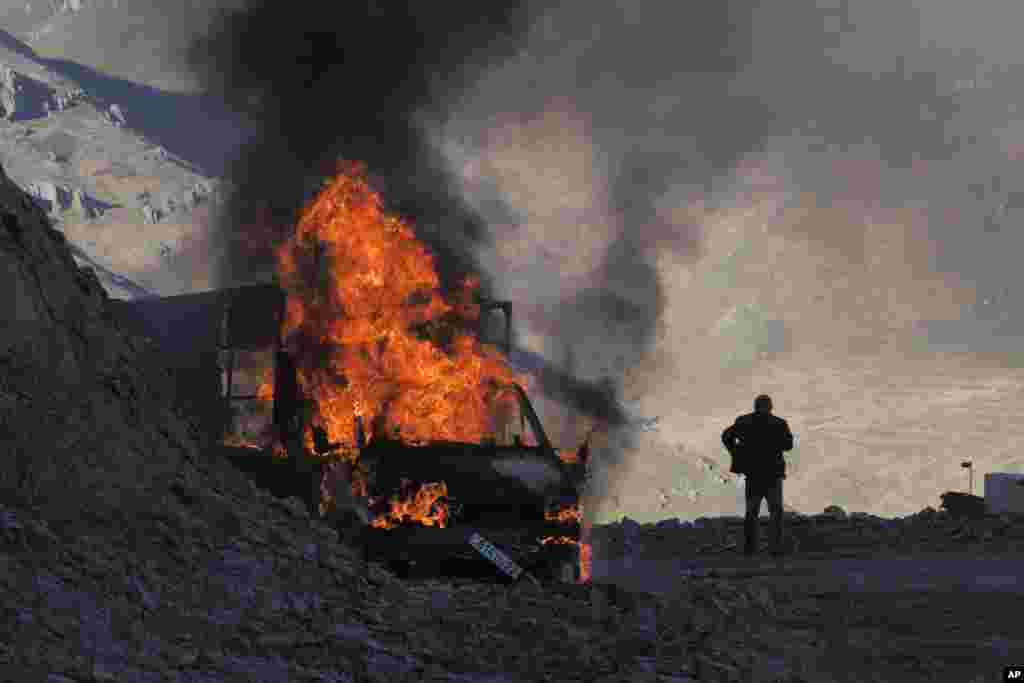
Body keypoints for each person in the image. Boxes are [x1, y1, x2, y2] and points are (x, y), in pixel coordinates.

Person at [721, 394, 794, 557]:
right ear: (770, 407)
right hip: (773, 474)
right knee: (776, 512)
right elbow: (788, 446)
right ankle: (775, 549)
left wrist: (736, 452)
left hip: (753, 474)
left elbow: (726, 437)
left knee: (751, 512)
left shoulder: (743, 421)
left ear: (755, 406)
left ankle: (750, 549)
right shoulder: (779, 423)